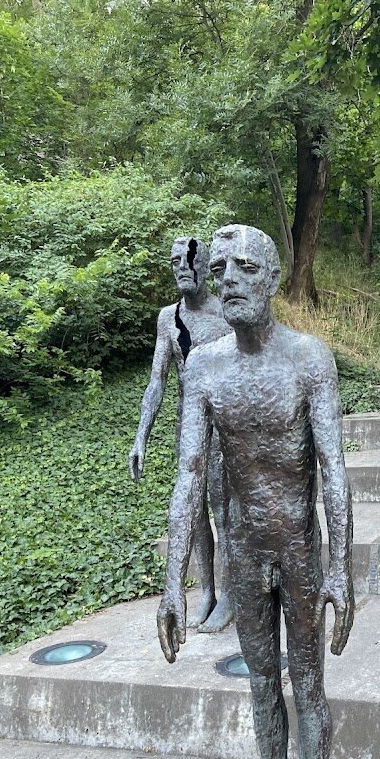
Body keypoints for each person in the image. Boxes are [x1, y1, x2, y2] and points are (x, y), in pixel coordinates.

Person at [156, 224, 354, 759]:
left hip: (298, 545)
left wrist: (340, 567)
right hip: (242, 547)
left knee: (308, 683)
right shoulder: (205, 367)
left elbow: (333, 469)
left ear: (270, 278)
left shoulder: (309, 359)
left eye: (245, 266)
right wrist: (176, 578)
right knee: (261, 685)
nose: (229, 277)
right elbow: (188, 474)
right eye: (220, 267)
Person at [128, 237, 234, 633]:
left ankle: (230, 593)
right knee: (195, 513)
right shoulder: (167, 318)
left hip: (225, 425)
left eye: (189, 260)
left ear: (205, 264)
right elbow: (157, 381)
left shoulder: (226, 312)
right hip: (187, 425)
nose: (182, 268)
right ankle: (206, 589)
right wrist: (142, 436)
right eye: (175, 262)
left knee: (224, 510)